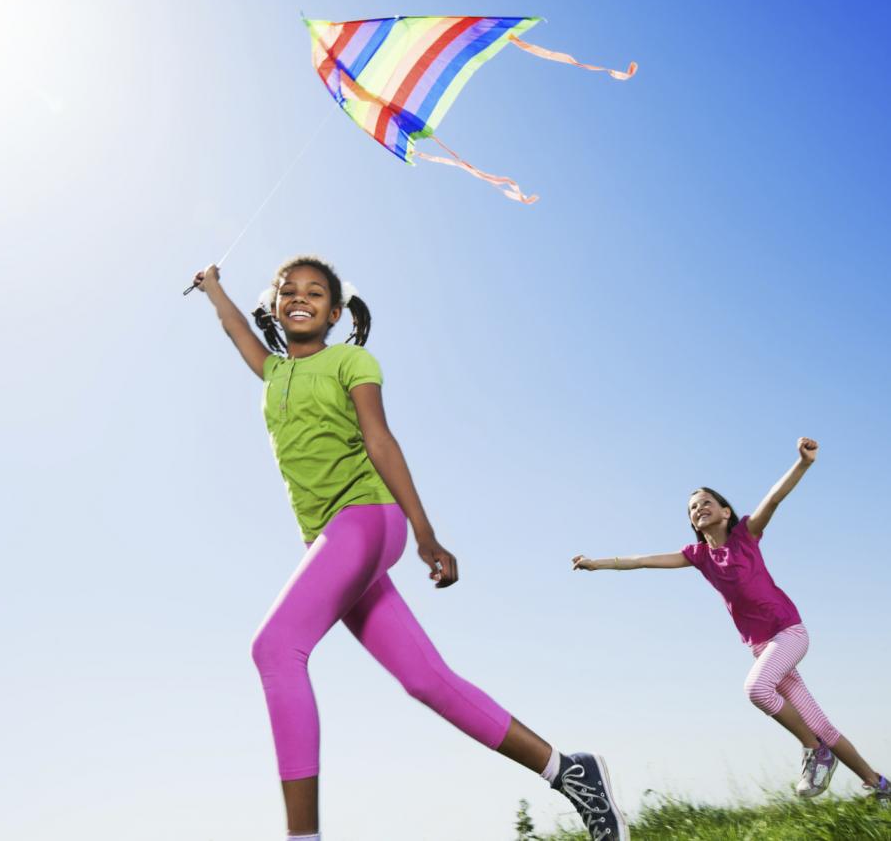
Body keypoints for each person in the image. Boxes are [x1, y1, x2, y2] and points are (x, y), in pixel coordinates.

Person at [192, 255, 629, 840]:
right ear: (274, 306)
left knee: (275, 649)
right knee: (426, 680)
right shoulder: (272, 373)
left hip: (368, 520)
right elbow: (235, 330)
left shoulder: (351, 360)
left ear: (335, 311)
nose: (300, 298)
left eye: (314, 292)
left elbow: (380, 439)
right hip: (329, 541)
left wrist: (424, 533)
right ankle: (570, 772)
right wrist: (214, 287)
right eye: (287, 291)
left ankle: (303, 838)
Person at [573, 438, 888, 801]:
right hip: (761, 647)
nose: (698, 508)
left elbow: (773, 498)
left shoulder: (745, 536)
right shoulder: (698, 556)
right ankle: (879, 785)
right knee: (821, 725)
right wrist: (596, 563)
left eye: (706, 501)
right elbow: (643, 559)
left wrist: (803, 463)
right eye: (692, 507)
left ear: (725, 511)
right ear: (692, 521)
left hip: (788, 631)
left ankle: (814, 751)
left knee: (756, 690)